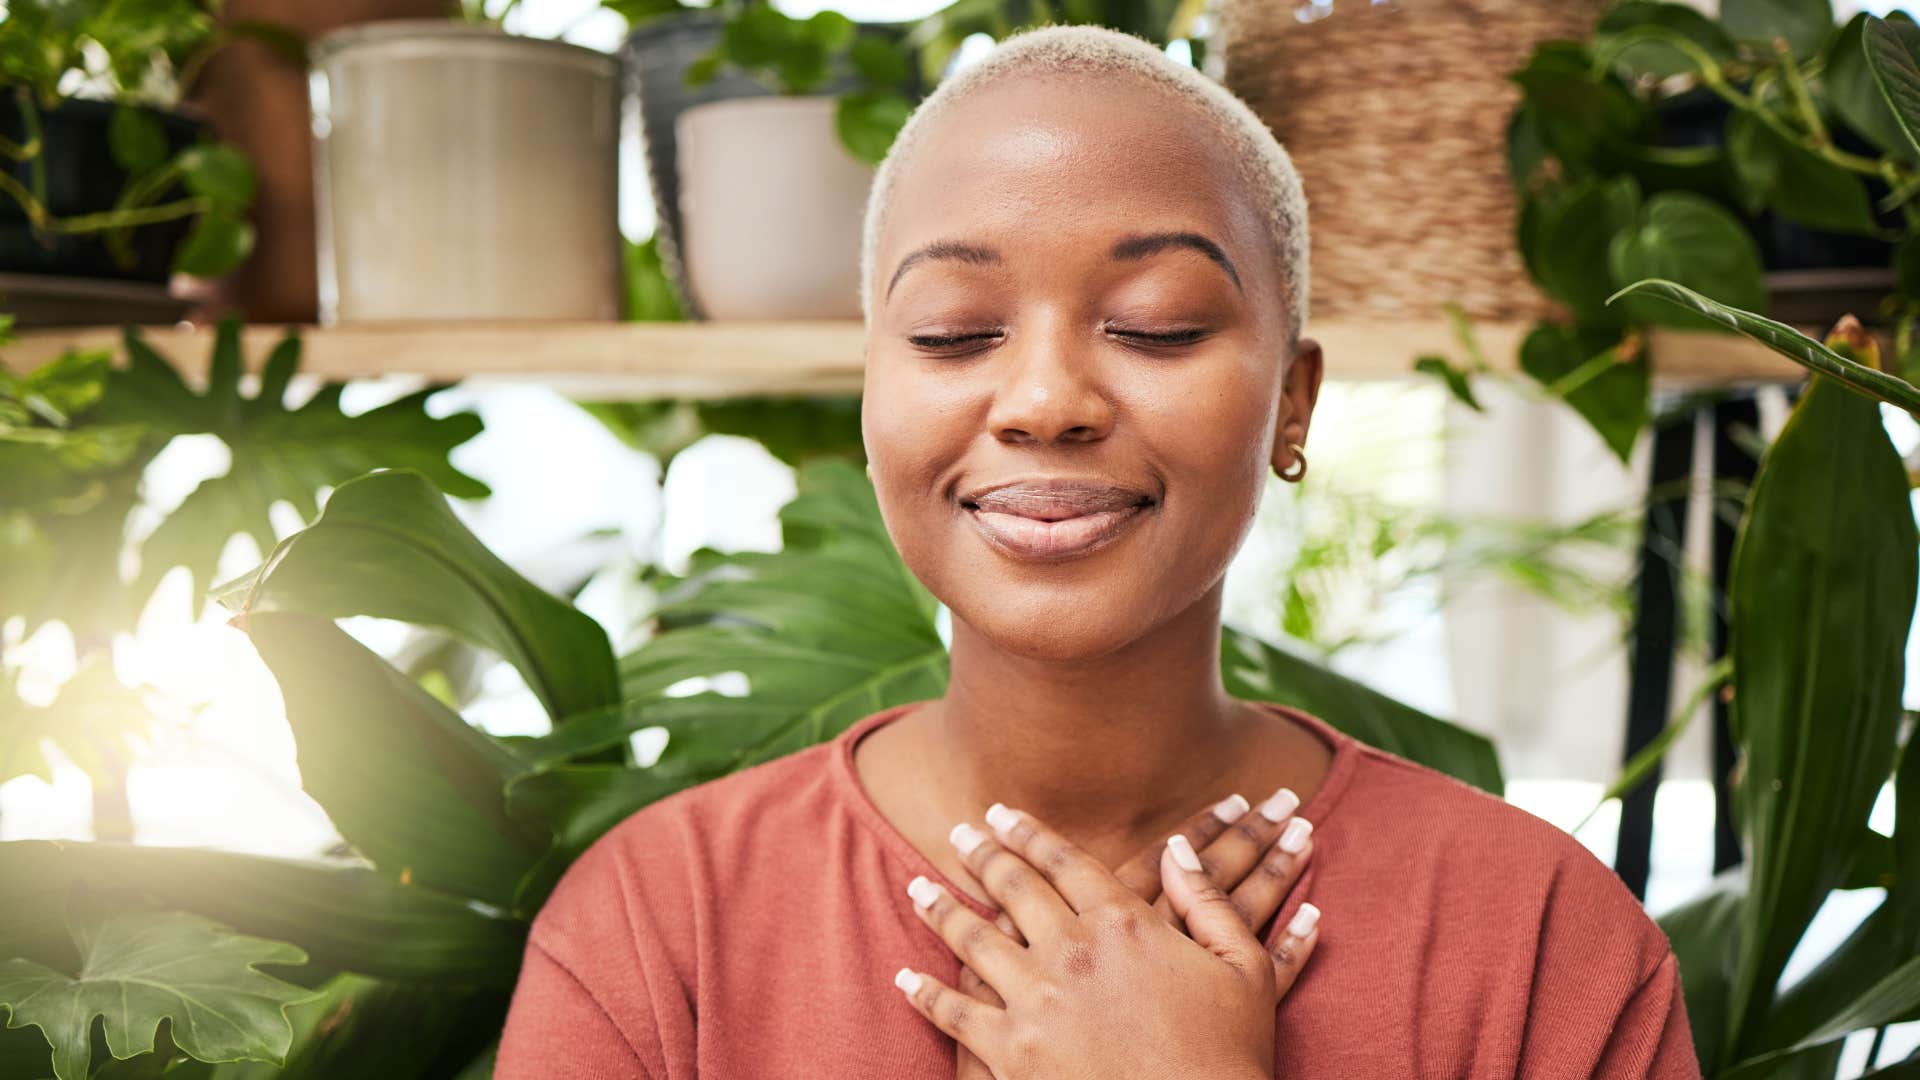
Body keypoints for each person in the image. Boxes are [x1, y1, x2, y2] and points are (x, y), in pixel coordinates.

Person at [496, 23, 1699, 1079]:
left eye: (1155, 326)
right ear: (872, 395)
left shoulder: (1541, 942)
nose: (1044, 399)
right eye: (953, 333)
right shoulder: (660, 931)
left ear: (1293, 401)